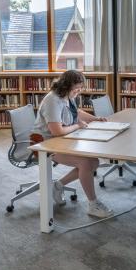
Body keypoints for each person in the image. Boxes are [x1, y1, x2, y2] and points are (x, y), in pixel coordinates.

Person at [32, 70, 113, 218]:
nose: (79, 91)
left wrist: (95, 119)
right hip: (46, 145)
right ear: (66, 85)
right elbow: (56, 131)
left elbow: (77, 112)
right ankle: (93, 205)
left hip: (63, 140)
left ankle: (57, 186)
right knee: (86, 163)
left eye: (80, 88)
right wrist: (78, 126)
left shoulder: (67, 96)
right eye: (76, 88)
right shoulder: (52, 100)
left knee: (93, 161)